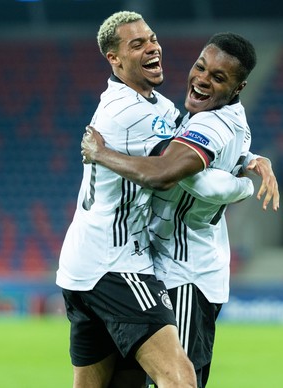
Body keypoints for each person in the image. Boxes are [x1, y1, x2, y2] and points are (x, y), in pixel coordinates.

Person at [81, 32, 279, 387]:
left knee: (178, 382)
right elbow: (214, 162)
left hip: (185, 276)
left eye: (218, 77)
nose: (202, 79)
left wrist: (101, 153)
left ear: (238, 87)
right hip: (166, 270)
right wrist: (252, 161)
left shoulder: (211, 123)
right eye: (201, 67)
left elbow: (171, 174)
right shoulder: (218, 116)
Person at [56, 11, 201, 388]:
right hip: (116, 265)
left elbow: (185, 130)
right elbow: (174, 170)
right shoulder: (129, 113)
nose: (152, 47)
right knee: (180, 379)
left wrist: (248, 156)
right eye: (137, 44)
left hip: (82, 264)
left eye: (152, 38)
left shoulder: (150, 104)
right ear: (114, 59)